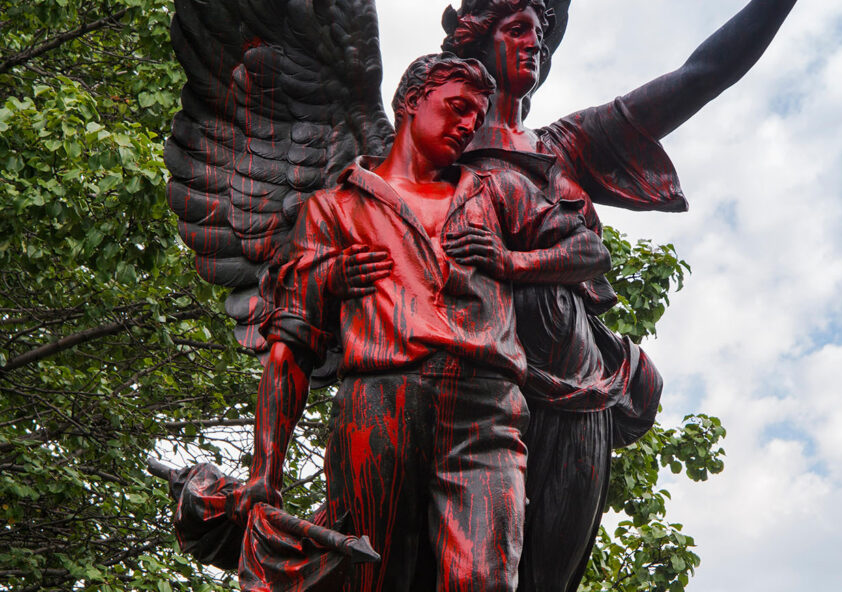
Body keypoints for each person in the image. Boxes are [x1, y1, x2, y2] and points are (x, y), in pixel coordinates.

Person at [441, 0, 821, 592]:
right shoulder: (432, 157)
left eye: (541, 35)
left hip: (582, 389)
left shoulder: (567, 145)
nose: (536, 45)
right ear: (476, 44)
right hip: (476, 384)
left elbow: (701, 76)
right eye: (518, 31)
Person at [231, 53, 612, 592]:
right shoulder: (336, 208)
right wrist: (265, 472)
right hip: (379, 406)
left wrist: (511, 262)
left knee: (486, 578)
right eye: (456, 109)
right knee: (372, 577)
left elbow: (589, 250)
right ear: (411, 102)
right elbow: (290, 345)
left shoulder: (494, 193)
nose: (467, 126)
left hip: (486, 411)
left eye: (476, 119)